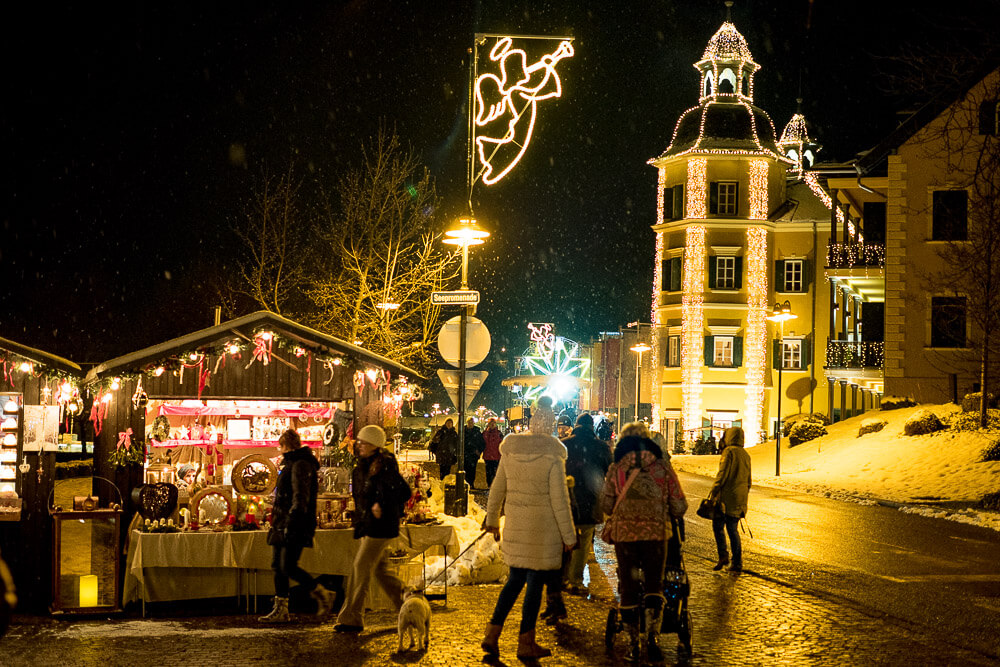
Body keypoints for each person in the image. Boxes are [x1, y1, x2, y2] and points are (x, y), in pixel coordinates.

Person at [481, 401, 576, 661]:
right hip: (543, 533)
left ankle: (492, 634)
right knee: (535, 586)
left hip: (516, 528)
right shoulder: (553, 455)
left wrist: (491, 519)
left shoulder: (511, 450)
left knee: (513, 582)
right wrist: (569, 537)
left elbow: (497, 489)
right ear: (551, 425)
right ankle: (526, 642)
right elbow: (560, 501)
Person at [600, 431, 686, 664]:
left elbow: (607, 505)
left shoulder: (616, 469)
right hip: (656, 536)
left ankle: (632, 641)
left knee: (628, 585)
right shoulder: (662, 469)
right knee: (654, 583)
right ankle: (652, 636)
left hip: (625, 537)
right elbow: (679, 506)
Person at [334, 425, 412, 633]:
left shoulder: (384, 465)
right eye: (358, 442)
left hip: (381, 526)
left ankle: (352, 617)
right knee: (380, 571)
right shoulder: (364, 465)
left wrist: (381, 505)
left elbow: (403, 491)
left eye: (364, 443)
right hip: (368, 523)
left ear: (375, 445)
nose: (359, 446)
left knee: (360, 567)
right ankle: (406, 601)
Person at [259, 430, 336, 623]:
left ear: (285, 446)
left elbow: (300, 496)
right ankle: (281, 608)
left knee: (287, 566)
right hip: (283, 521)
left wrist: (291, 520)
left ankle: (321, 592)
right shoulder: (294, 463)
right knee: (278, 566)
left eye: (280, 446)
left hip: (292, 523)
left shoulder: (299, 464)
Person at [561, 413, 612, 594]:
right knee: (583, 539)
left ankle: (562, 577)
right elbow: (610, 471)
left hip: (566, 497)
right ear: (592, 428)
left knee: (565, 537)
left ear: (576, 425)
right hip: (590, 499)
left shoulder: (565, 444)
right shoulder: (601, 447)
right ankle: (575, 580)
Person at [708, 426, 751, 573]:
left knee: (718, 526)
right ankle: (737, 562)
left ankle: (723, 555)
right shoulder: (746, 455)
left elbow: (723, 474)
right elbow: (749, 480)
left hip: (726, 498)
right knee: (733, 530)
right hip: (740, 498)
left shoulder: (729, 452)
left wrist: (714, 491)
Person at [463, 417, 486, 489]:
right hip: (465, 454)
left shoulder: (477, 432)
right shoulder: (463, 431)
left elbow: (482, 443)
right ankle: (466, 484)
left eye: (471, 422)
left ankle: (471, 484)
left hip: (473, 455)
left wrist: (478, 451)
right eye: (469, 422)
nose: (470, 424)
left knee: (472, 470)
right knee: (465, 469)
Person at [482, 418, 503, 487]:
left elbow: (502, 444)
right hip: (488, 456)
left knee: (495, 472)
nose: (492, 424)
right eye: (491, 423)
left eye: (493, 423)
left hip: (496, 456)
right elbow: (481, 443)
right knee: (488, 472)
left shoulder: (499, 433)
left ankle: (494, 486)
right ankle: (489, 485)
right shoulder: (485, 433)